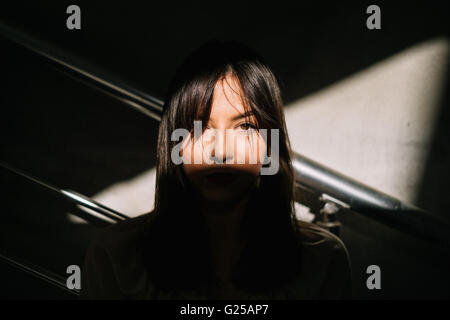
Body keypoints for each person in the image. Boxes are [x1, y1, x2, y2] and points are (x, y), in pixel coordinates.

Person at [80, 39, 352, 299]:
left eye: (245, 126)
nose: (221, 151)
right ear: (174, 142)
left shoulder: (323, 261)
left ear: (271, 143)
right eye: (200, 127)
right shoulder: (116, 259)